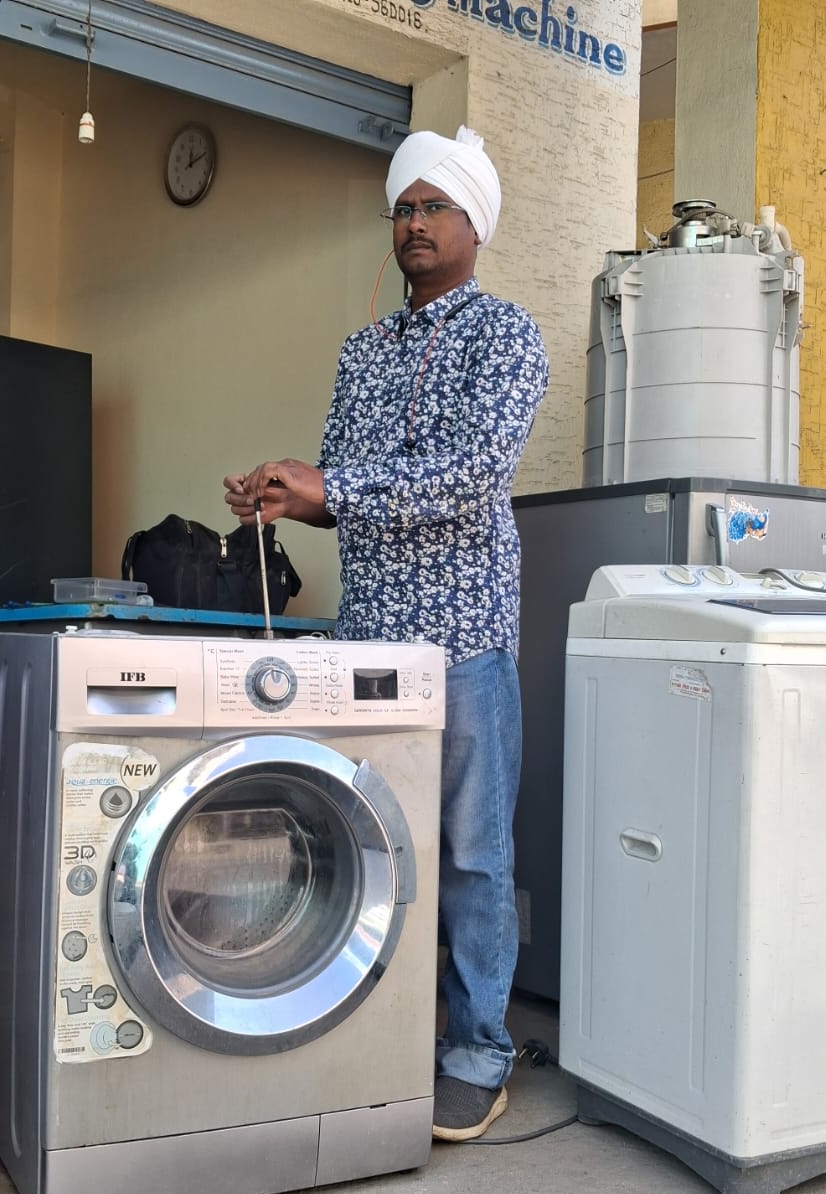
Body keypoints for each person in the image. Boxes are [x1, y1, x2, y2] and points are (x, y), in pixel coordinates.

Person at [223, 125, 548, 1142]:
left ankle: (478, 1052)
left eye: (434, 207)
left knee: (471, 856)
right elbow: (343, 497)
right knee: (366, 845)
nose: (414, 223)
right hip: (367, 644)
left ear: (473, 225)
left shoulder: (505, 335)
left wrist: (333, 485)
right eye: (403, 208)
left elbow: (471, 475)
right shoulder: (361, 353)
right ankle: (384, 1033)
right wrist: (291, 494)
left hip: (463, 639)